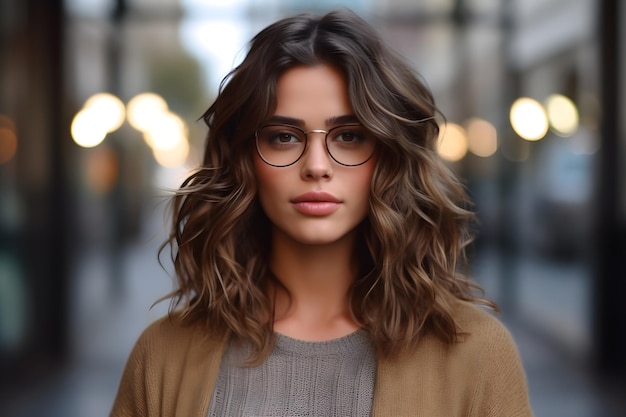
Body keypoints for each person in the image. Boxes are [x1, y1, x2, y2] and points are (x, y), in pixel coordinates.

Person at [110, 8, 533, 417]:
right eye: (283, 137)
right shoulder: (163, 353)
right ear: (245, 160)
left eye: (349, 135)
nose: (316, 165)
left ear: (389, 157)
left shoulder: (476, 352)